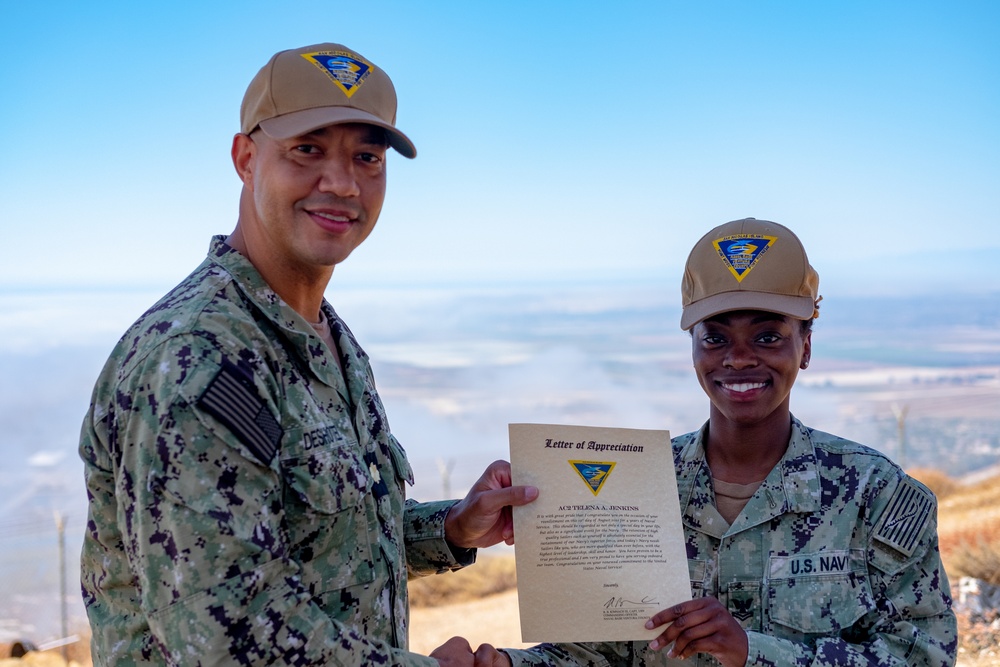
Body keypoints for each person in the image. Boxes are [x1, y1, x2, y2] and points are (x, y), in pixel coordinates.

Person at [78, 42, 536, 666]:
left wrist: (451, 529)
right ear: (245, 157)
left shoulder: (321, 336)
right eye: (308, 149)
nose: (343, 182)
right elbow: (229, 636)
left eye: (367, 157)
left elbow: (323, 544)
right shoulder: (200, 358)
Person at [449, 218, 958, 665]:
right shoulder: (638, 486)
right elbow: (596, 654)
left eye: (768, 336)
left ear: (806, 346)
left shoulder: (874, 494)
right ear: (692, 348)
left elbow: (924, 656)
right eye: (715, 337)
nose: (738, 358)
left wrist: (754, 655)